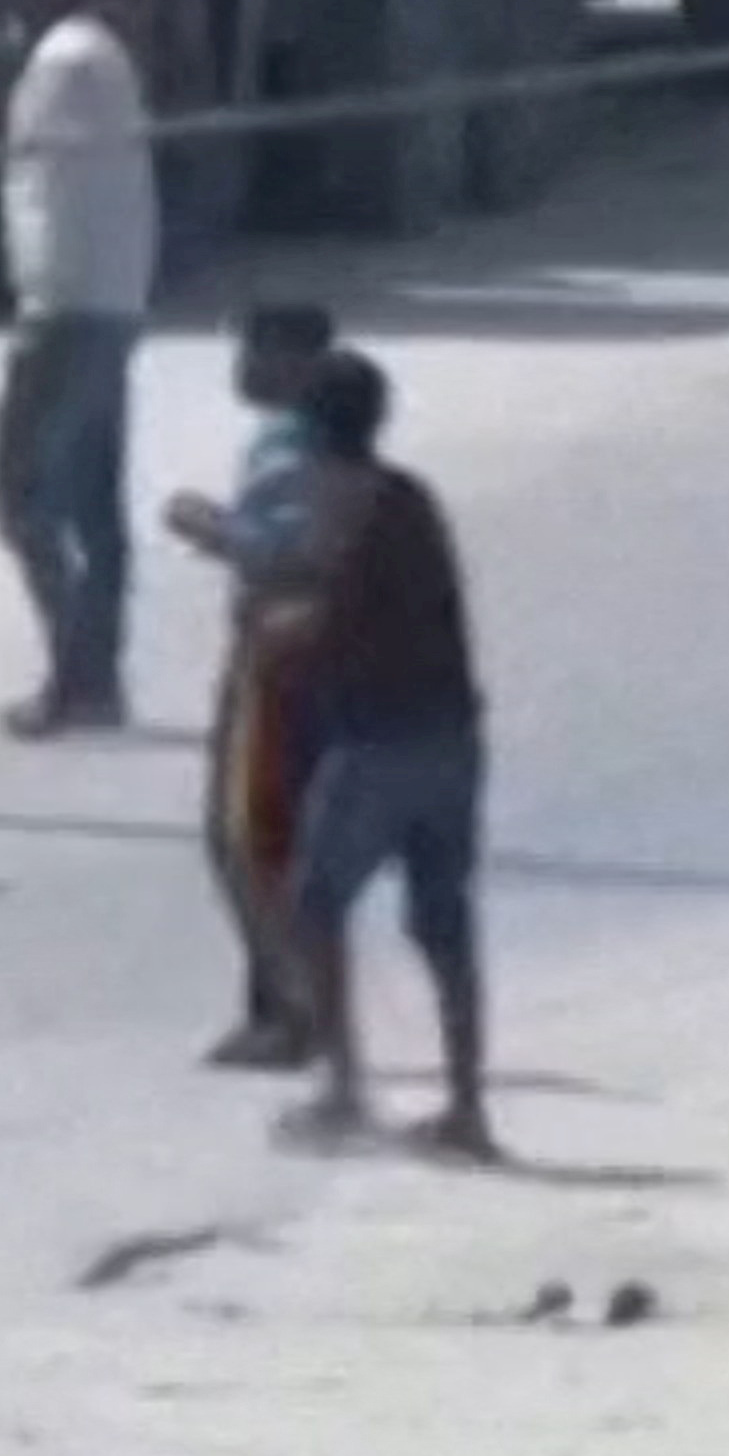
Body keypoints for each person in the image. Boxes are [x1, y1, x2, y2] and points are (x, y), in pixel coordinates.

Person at [261, 349, 494, 1162]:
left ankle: (344, 1087)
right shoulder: (408, 495)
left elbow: (324, 612)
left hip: (377, 739)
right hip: (453, 733)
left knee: (314, 902)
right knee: (445, 921)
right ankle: (467, 1107)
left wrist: (277, 627)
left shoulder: (337, 497)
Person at [0, 0, 159, 741]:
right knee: (93, 500)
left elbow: (57, 184)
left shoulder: (67, 61)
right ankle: (97, 674)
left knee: (21, 493)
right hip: (110, 298)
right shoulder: (102, 53)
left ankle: (77, 668)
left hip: (65, 304)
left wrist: (42, 305)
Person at [162, 301, 342, 1066]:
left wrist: (214, 530)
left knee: (245, 832)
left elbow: (299, 552)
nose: (243, 366)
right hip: (296, 648)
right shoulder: (308, 439)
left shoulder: (294, 447)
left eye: (258, 350)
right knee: (265, 830)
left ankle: (292, 1010)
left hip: (278, 651)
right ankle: (285, 1002)